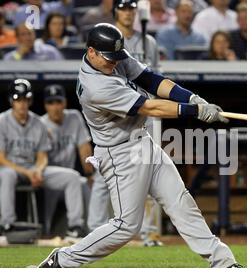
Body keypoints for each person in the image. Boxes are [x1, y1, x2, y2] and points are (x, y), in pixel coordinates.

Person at [35, 23, 247, 268]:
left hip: (143, 142)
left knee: (180, 201)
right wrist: (194, 112)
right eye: (108, 59)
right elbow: (150, 106)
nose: (113, 63)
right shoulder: (95, 87)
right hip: (120, 155)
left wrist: (192, 98)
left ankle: (222, 264)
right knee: (125, 227)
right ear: (91, 52)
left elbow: (150, 80)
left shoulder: (113, 56)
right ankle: (62, 259)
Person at [87, 0, 163, 246]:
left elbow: (154, 77)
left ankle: (149, 232)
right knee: (105, 172)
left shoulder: (147, 41)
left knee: (151, 169)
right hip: (116, 110)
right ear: (116, 12)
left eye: (131, 8)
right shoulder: (106, 38)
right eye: (123, 8)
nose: (128, 13)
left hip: (144, 110)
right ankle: (93, 229)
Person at [0, 79, 84, 240]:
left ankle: (75, 226)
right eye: (18, 99)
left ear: (30, 100)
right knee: (7, 175)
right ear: (12, 100)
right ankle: (7, 225)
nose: (22, 104)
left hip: (33, 169)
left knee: (72, 177)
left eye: (26, 99)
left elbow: (42, 156)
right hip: (11, 169)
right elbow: (1, 159)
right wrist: (28, 172)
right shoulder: (2, 121)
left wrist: (38, 170)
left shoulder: (38, 123)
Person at [41, 84, 94, 237]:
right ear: (45, 105)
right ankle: (44, 233)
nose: (55, 107)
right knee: (47, 221)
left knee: (88, 185)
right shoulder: (40, 124)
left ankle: (91, 231)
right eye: (51, 103)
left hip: (71, 180)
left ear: (64, 103)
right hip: (48, 180)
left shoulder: (74, 117)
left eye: (58, 102)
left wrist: (90, 175)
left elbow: (84, 147)